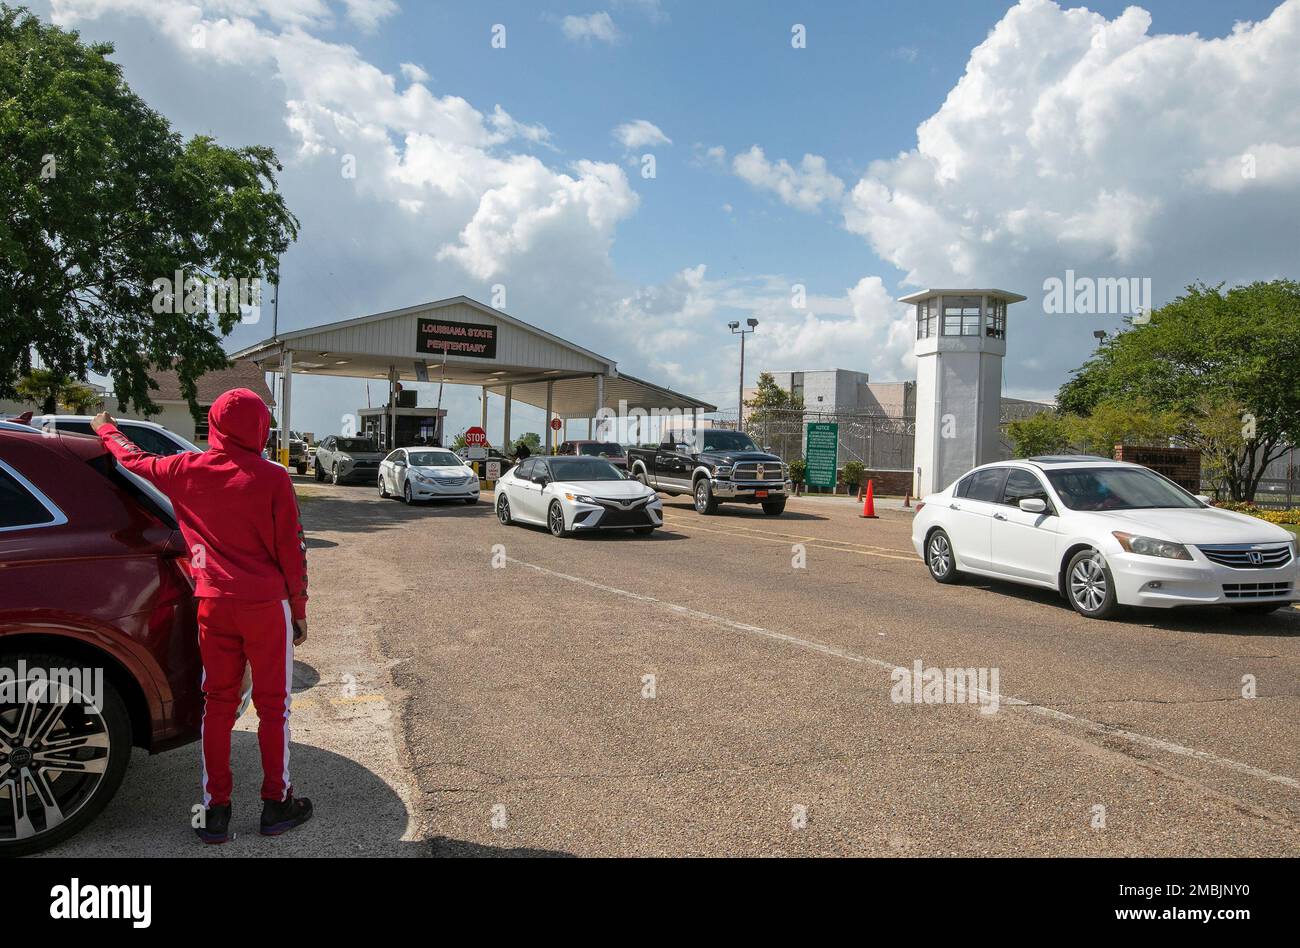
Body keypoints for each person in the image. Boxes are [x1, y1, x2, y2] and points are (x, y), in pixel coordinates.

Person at [91, 389, 312, 844]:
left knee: (218, 707)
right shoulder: (273, 478)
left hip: (212, 603)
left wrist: (105, 429)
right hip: (267, 605)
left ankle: (216, 812)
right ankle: (276, 803)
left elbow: (134, 459)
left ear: (212, 424)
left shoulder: (184, 470)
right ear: (260, 428)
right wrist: (300, 610)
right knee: (275, 709)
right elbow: (292, 552)